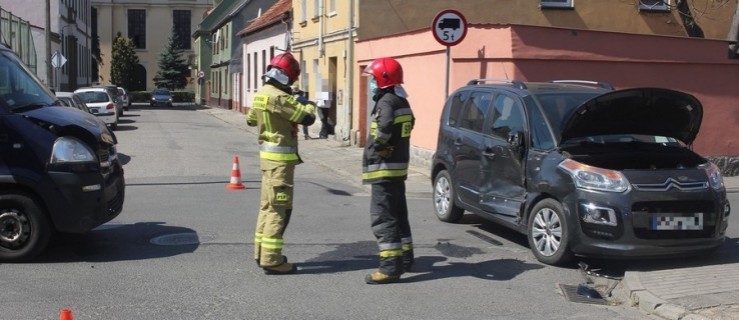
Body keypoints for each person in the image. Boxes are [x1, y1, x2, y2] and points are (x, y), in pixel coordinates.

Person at [246, 52, 316, 275]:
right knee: (280, 210)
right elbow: (307, 118)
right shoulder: (279, 98)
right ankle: (272, 260)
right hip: (280, 164)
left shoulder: (261, 94)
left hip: (267, 161)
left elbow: (251, 119)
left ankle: (260, 253)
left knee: (266, 207)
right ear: (286, 76)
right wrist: (308, 104)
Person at [361, 57, 415, 284]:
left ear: (383, 79)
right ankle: (405, 257)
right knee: (399, 215)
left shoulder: (386, 102)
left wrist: (380, 146)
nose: (371, 82)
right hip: (397, 168)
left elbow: (382, 130)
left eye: (373, 78)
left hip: (383, 169)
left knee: (383, 218)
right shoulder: (402, 101)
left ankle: (390, 267)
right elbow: (410, 123)